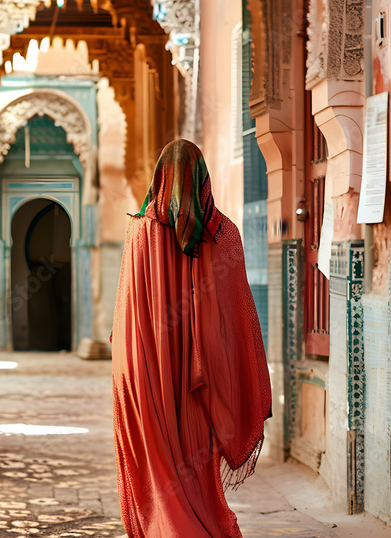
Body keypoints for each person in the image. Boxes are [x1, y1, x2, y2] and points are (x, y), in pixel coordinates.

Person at [111, 139, 272, 537]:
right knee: (193, 471)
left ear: (158, 176)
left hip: (145, 379)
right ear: (203, 178)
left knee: (155, 466)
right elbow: (238, 321)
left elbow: (127, 320)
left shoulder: (140, 233)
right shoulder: (223, 235)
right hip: (200, 388)